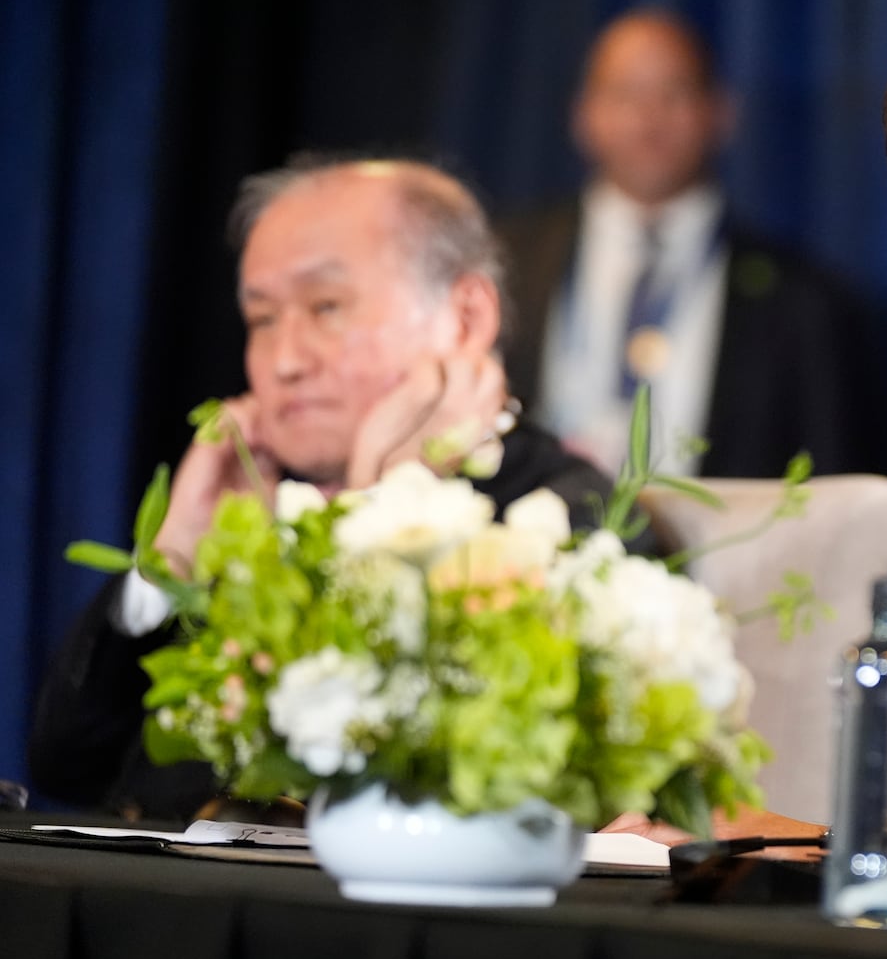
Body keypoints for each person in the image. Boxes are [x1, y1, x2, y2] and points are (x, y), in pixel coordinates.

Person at [29, 158, 614, 821]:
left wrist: (384, 509)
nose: (285, 360)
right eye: (262, 319)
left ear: (465, 317)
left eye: (326, 307)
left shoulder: (566, 515)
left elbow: (417, 793)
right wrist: (171, 564)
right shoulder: (261, 505)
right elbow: (66, 769)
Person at [498, 9, 883, 479]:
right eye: (624, 93)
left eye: (673, 93)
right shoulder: (504, 264)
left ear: (720, 113)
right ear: (584, 114)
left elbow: (835, 491)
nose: (648, 117)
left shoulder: (804, 302)